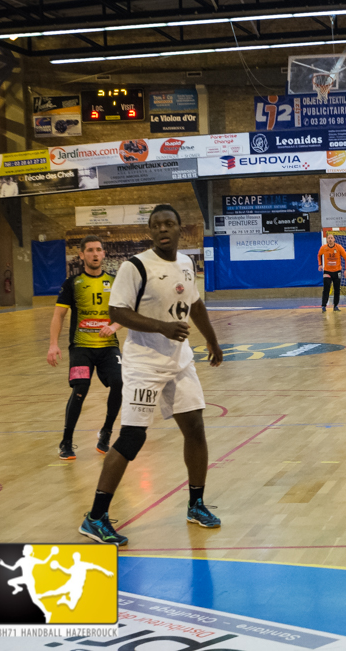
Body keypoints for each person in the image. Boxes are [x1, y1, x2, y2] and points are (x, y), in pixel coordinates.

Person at [78, 204, 224, 546]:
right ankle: (95, 517)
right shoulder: (136, 266)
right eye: (156, 225)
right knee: (132, 438)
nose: (163, 229)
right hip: (144, 364)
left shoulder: (186, 263)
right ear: (150, 231)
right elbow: (117, 311)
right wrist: (162, 327)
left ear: (179, 228)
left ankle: (196, 504)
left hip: (179, 360)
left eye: (169, 223)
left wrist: (213, 341)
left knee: (195, 428)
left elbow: (195, 304)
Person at [48, 236, 123, 459]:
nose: (95, 254)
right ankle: (66, 441)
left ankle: (106, 432)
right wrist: (53, 344)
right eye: (90, 250)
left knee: (120, 383)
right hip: (81, 347)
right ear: (81, 255)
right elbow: (59, 315)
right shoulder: (72, 283)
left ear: (104, 253)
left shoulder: (114, 281)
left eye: (98, 249)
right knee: (80, 388)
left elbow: (126, 312)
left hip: (108, 347)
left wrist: (114, 326)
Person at [317, 232, 346, 312]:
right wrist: (320, 264)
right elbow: (319, 255)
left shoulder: (339, 247)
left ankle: (335, 306)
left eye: (331, 238)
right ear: (327, 240)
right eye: (329, 238)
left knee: (337, 289)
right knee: (326, 288)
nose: (330, 239)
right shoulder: (324, 248)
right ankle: (323, 305)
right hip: (327, 271)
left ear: (334, 239)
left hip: (337, 271)